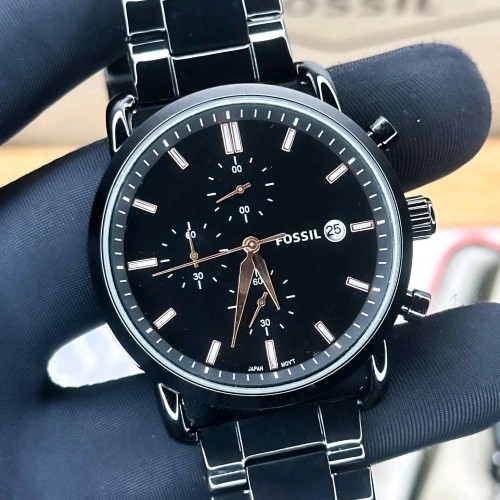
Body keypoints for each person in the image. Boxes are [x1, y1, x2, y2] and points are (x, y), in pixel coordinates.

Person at [0, 1, 498, 498]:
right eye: (247, 244)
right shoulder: (299, 101)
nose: (250, 244)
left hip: (298, 369)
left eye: (252, 244)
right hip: (234, 380)